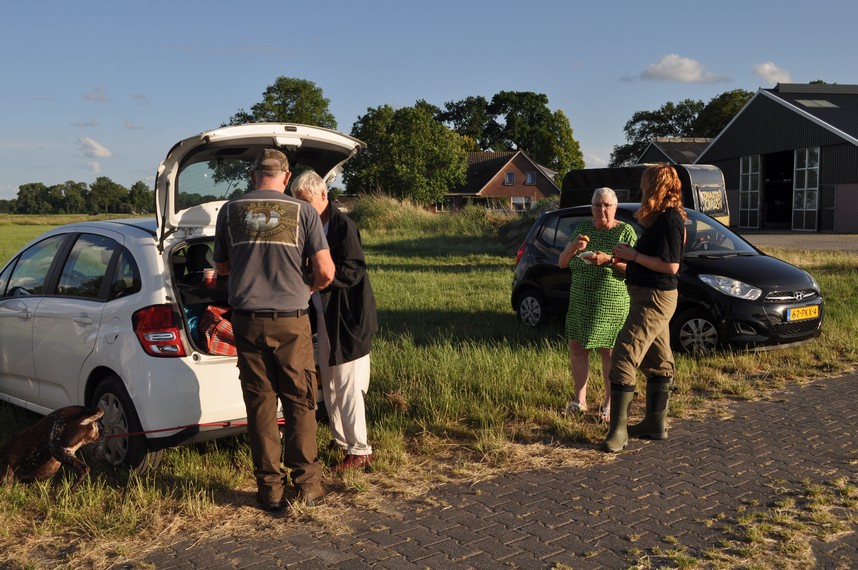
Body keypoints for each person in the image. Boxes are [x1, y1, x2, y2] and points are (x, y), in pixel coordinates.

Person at [213, 149, 334, 511]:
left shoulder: (230, 211)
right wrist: (307, 287)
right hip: (291, 321)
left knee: (260, 405)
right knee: (300, 401)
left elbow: (221, 268)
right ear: (286, 177)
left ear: (253, 175)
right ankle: (308, 487)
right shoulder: (304, 212)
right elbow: (326, 272)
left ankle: (270, 491)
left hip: (247, 321)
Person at [291, 170, 378, 472]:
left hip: (347, 318)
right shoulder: (308, 226)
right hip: (322, 318)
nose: (302, 209)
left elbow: (354, 270)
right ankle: (341, 440)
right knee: (328, 384)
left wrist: (319, 278)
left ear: (323, 195)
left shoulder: (343, 226)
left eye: (306, 202)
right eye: (298, 203)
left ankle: (360, 449)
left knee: (348, 385)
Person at [601, 164, 687, 453]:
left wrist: (633, 255)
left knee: (623, 356)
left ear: (655, 186)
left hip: (654, 298)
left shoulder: (670, 219)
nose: (641, 188)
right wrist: (625, 259)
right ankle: (655, 424)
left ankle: (618, 432)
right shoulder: (664, 218)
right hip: (650, 295)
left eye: (645, 183)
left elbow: (671, 266)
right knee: (659, 359)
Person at [557, 187, 636, 422]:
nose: (602, 210)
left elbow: (634, 268)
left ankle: (609, 405)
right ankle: (579, 401)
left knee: (608, 351)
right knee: (577, 347)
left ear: (615, 207)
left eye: (607, 205)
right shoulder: (582, 230)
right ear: (591, 208)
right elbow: (562, 263)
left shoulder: (625, 232)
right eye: (597, 205)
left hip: (611, 302)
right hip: (580, 300)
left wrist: (608, 260)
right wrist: (575, 247)